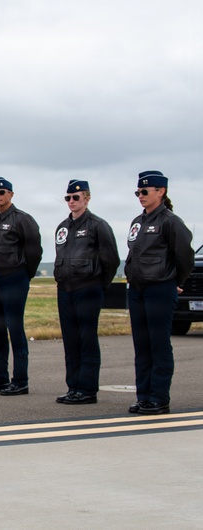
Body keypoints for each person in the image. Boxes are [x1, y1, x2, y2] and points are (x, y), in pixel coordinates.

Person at [125, 171, 194, 415]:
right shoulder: (138, 221)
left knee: (158, 344)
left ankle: (159, 397)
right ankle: (143, 395)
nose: (140, 196)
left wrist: (177, 281)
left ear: (161, 192)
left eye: (145, 192)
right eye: (138, 192)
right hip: (138, 289)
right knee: (142, 345)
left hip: (160, 288)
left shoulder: (170, 221)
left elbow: (185, 256)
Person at [53, 180, 119, 405]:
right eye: (68, 198)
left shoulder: (98, 225)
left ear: (87, 199)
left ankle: (88, 389)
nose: (71, 202)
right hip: (66, 290)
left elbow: (111, 259)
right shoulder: (63, 227)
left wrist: (100, 285)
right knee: (71, 341)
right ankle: (74, 386)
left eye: (76, 198)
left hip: (88, 289)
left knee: (86, 340)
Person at [0, 177, 42, 396]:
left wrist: (24, 275)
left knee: (15, 329)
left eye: (2, 192)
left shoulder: (22, 219)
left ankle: (20, 380)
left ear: (11, 195)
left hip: (14, 278)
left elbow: (34, 252)